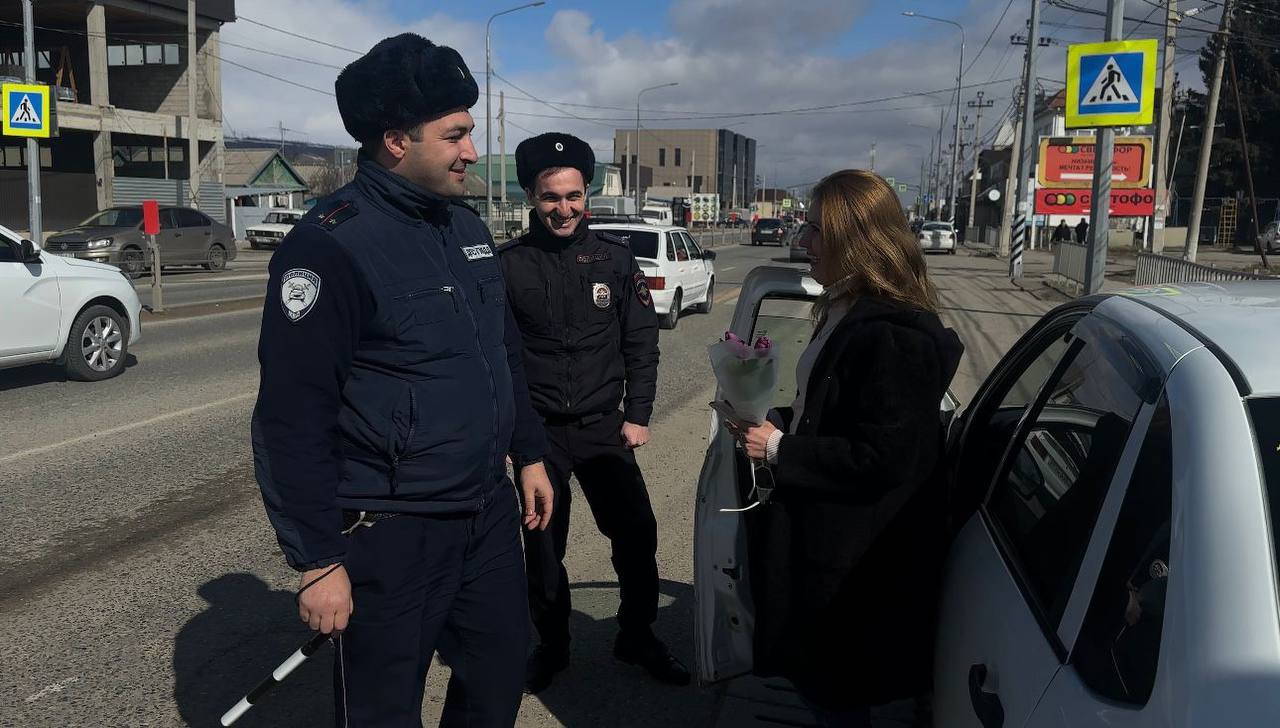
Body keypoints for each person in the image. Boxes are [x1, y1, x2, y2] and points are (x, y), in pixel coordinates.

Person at [251, 33, 554, 727]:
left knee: (498, 674)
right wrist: (319, 560)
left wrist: (529, 450)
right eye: (456, 135)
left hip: (484, 511)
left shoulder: (466, 227)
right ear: (395, 139)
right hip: (392, 529)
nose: (472, 151)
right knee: (383, 707)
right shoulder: (329, 246)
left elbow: (503, 352)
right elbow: (291, 418)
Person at [730, 170, 964, 726]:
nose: (803, 241)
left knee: (839, 700)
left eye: (816, 229)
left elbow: (882, 458)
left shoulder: (895, 336)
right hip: (830, 543)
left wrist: (780, 449)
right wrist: (776, 418)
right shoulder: (844, 306)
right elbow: (840, 412)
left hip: (856, 561)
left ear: (856, 240)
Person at [498, 132, 689, 693]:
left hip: (605, 427)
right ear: (531, 196)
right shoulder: (508, 266)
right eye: (551, 197)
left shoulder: (615, 260)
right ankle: (553, 645)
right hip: (539, 437)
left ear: (588, 194)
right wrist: (514, 437)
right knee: (543, 550)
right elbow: (500, 356)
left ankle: (637, 635)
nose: (564, 209)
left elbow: (641, 343)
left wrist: (639, 414)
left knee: (635, 536)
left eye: (574, 196)